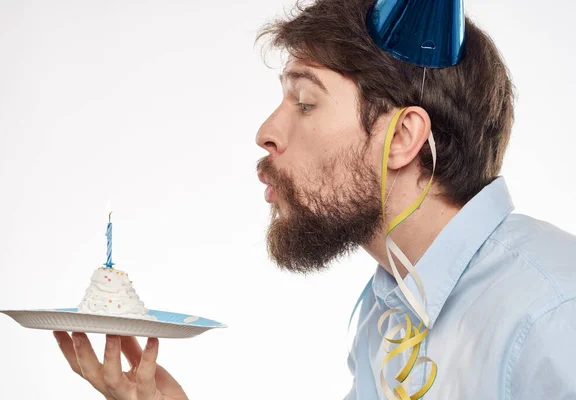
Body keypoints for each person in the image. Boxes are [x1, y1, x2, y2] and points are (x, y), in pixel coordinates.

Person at [52, 0, 576, 398]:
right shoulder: (384, 309)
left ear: (400, 138)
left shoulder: (555, 314)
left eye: (305, 102)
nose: (266, 132)